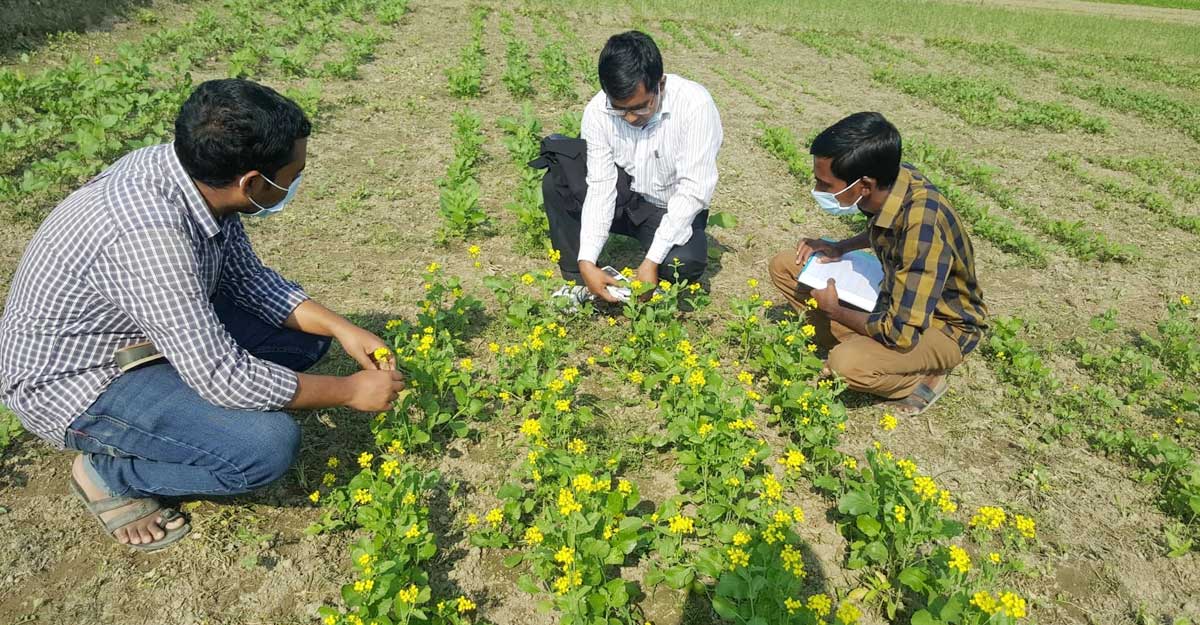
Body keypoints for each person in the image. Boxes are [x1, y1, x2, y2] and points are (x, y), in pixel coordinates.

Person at [0, 79, 405, 551]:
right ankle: (109, 472)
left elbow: (247, 280)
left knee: (305, 337)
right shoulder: (149, 237)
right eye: (292, 176)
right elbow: (224, 378)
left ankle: (180, 408)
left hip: (140, 334)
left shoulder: (190, 174)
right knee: (264, 448)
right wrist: (349, 391)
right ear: (252, 182)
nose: (295, 184)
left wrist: (342, 327)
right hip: (78, 379)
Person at [767, 112, 987, 415]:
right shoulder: (894, 180)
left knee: (847, 365)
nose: (818, 189)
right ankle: (864, 343)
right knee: (786, 265)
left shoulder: (923, 222)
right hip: (896, 296)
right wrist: (839, 247)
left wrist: (835, 310)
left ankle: (921, 379)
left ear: (864, 185)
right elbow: (885, 226)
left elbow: (901, 332)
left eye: (825, 183)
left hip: (942, 325)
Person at [535, 30, 723, 299]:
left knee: (684, 263)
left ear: (661, 84)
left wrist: (651, 262)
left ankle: (656, 263)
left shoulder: (695, 106)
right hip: (626, 198)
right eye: (620, 110)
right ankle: (579, 281)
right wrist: (586, 260)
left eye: (641, 107)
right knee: (558, 181)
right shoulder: (598, 111)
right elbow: (600, 186)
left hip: (666, 207)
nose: (631, 118)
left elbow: (693, 192)